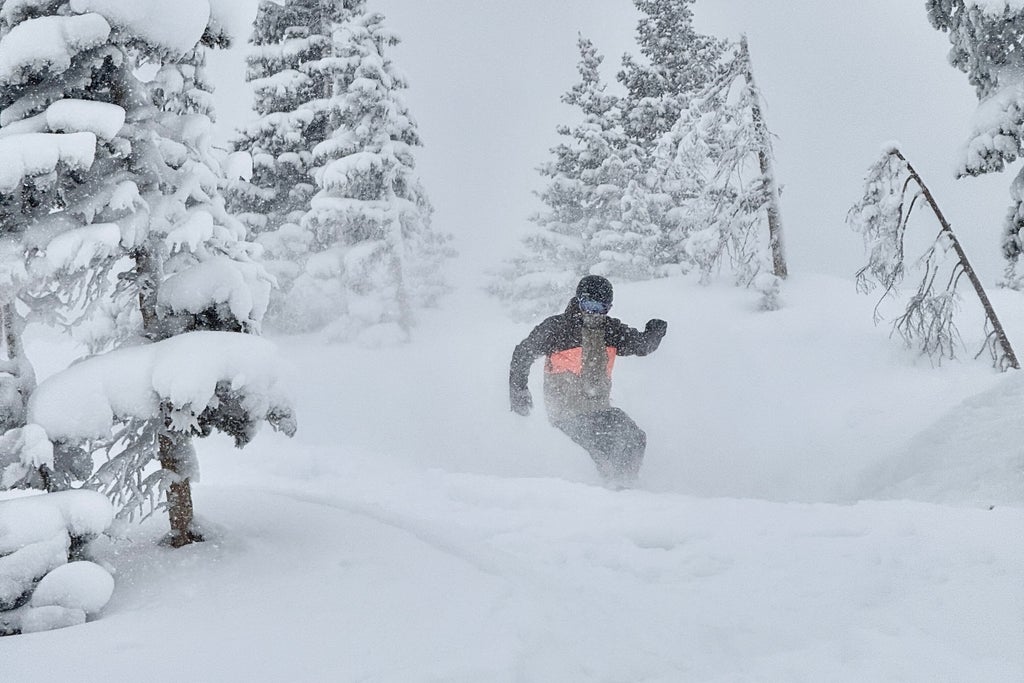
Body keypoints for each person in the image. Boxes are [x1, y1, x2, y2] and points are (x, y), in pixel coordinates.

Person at [509, 275, 667, 485]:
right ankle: (603, 491)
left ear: (608, 308)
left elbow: (641, 345)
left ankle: (626, 484)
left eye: (599, 308)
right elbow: (523, 354)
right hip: (566, 414)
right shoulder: (557, 328)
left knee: (634, 438)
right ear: (579, 301)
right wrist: (518, 390)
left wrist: (654, 333)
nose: (592, 312)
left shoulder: (611, 331)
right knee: (602, 444)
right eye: (588, 305)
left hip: (599, 409)